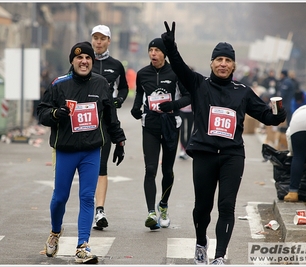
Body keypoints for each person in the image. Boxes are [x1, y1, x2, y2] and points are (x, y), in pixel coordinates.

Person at [161, 21, 287, 265]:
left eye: (227, 61)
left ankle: (219, 256)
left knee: (227, 206)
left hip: (232, 156)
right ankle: (200, 243)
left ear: (233, 66)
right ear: (211, 63)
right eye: (218, 60)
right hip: (205, 153)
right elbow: (179, 68)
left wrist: (279, 114)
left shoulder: (243, 91)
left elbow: (267, 116)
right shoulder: (199, 85)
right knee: (202, 207)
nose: (223, 64)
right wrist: (171, 47)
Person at [37, 41, 126, 264]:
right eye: (79, 58)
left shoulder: (101, 84)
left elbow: (110, 116)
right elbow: (41, 113)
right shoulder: (59, 84)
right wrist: (56, 113)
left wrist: (119, 140)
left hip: (91, 150)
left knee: (87, 197)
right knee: (60, 198)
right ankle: (55, 232)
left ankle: (82, 246)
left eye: (87, 58)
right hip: (66, 150)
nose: (84, 61)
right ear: (72, 61)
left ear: (92, 61)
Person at [130, 37, 191, 230]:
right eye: (151, 50)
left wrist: (173, 105)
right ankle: (151, 213)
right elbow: (140, 96)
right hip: (150, 126)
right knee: (150, 169)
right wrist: (136, 109)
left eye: (157, 50)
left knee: (167, 170)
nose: (153, 54)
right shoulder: (143, 73)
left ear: (164, 53)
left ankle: (163, 206)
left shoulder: (175, 72)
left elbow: (189, 96)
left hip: (171, 125)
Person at [90, 24, 129, 230]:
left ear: (108, 41)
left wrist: (119, 99)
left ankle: (100, 211)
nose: (98, 42)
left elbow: (123, 87)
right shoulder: (83, 61)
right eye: (95, 38)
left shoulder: (116, 65)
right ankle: (87, 207)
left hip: (106, 120)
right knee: (84, 166)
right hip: (85, 122)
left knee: (102, 166)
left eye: (102, 38)